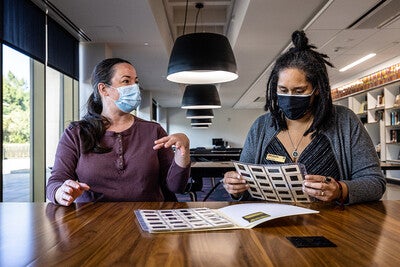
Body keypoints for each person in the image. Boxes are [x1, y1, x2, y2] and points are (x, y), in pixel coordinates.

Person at [223, 30, 386, 205]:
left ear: (316, 89)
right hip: (270, 224)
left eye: (299, 91)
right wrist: (235, 188)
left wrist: (340, 190)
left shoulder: (344, 121)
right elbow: (244, 188)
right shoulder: (261, 127)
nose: (290, 97)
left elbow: (375, 183)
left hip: (330, 226)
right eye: (283, 91)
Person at [46, 58, 191, 206]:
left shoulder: (154, 130)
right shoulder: (76, 133)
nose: (134, 87)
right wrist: (60, 192)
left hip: (149, 219)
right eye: (126, 81)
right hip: (92, 222)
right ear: (103, 89)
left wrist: (183, 150)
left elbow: (176, 187)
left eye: (136, 82)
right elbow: (55, 181)